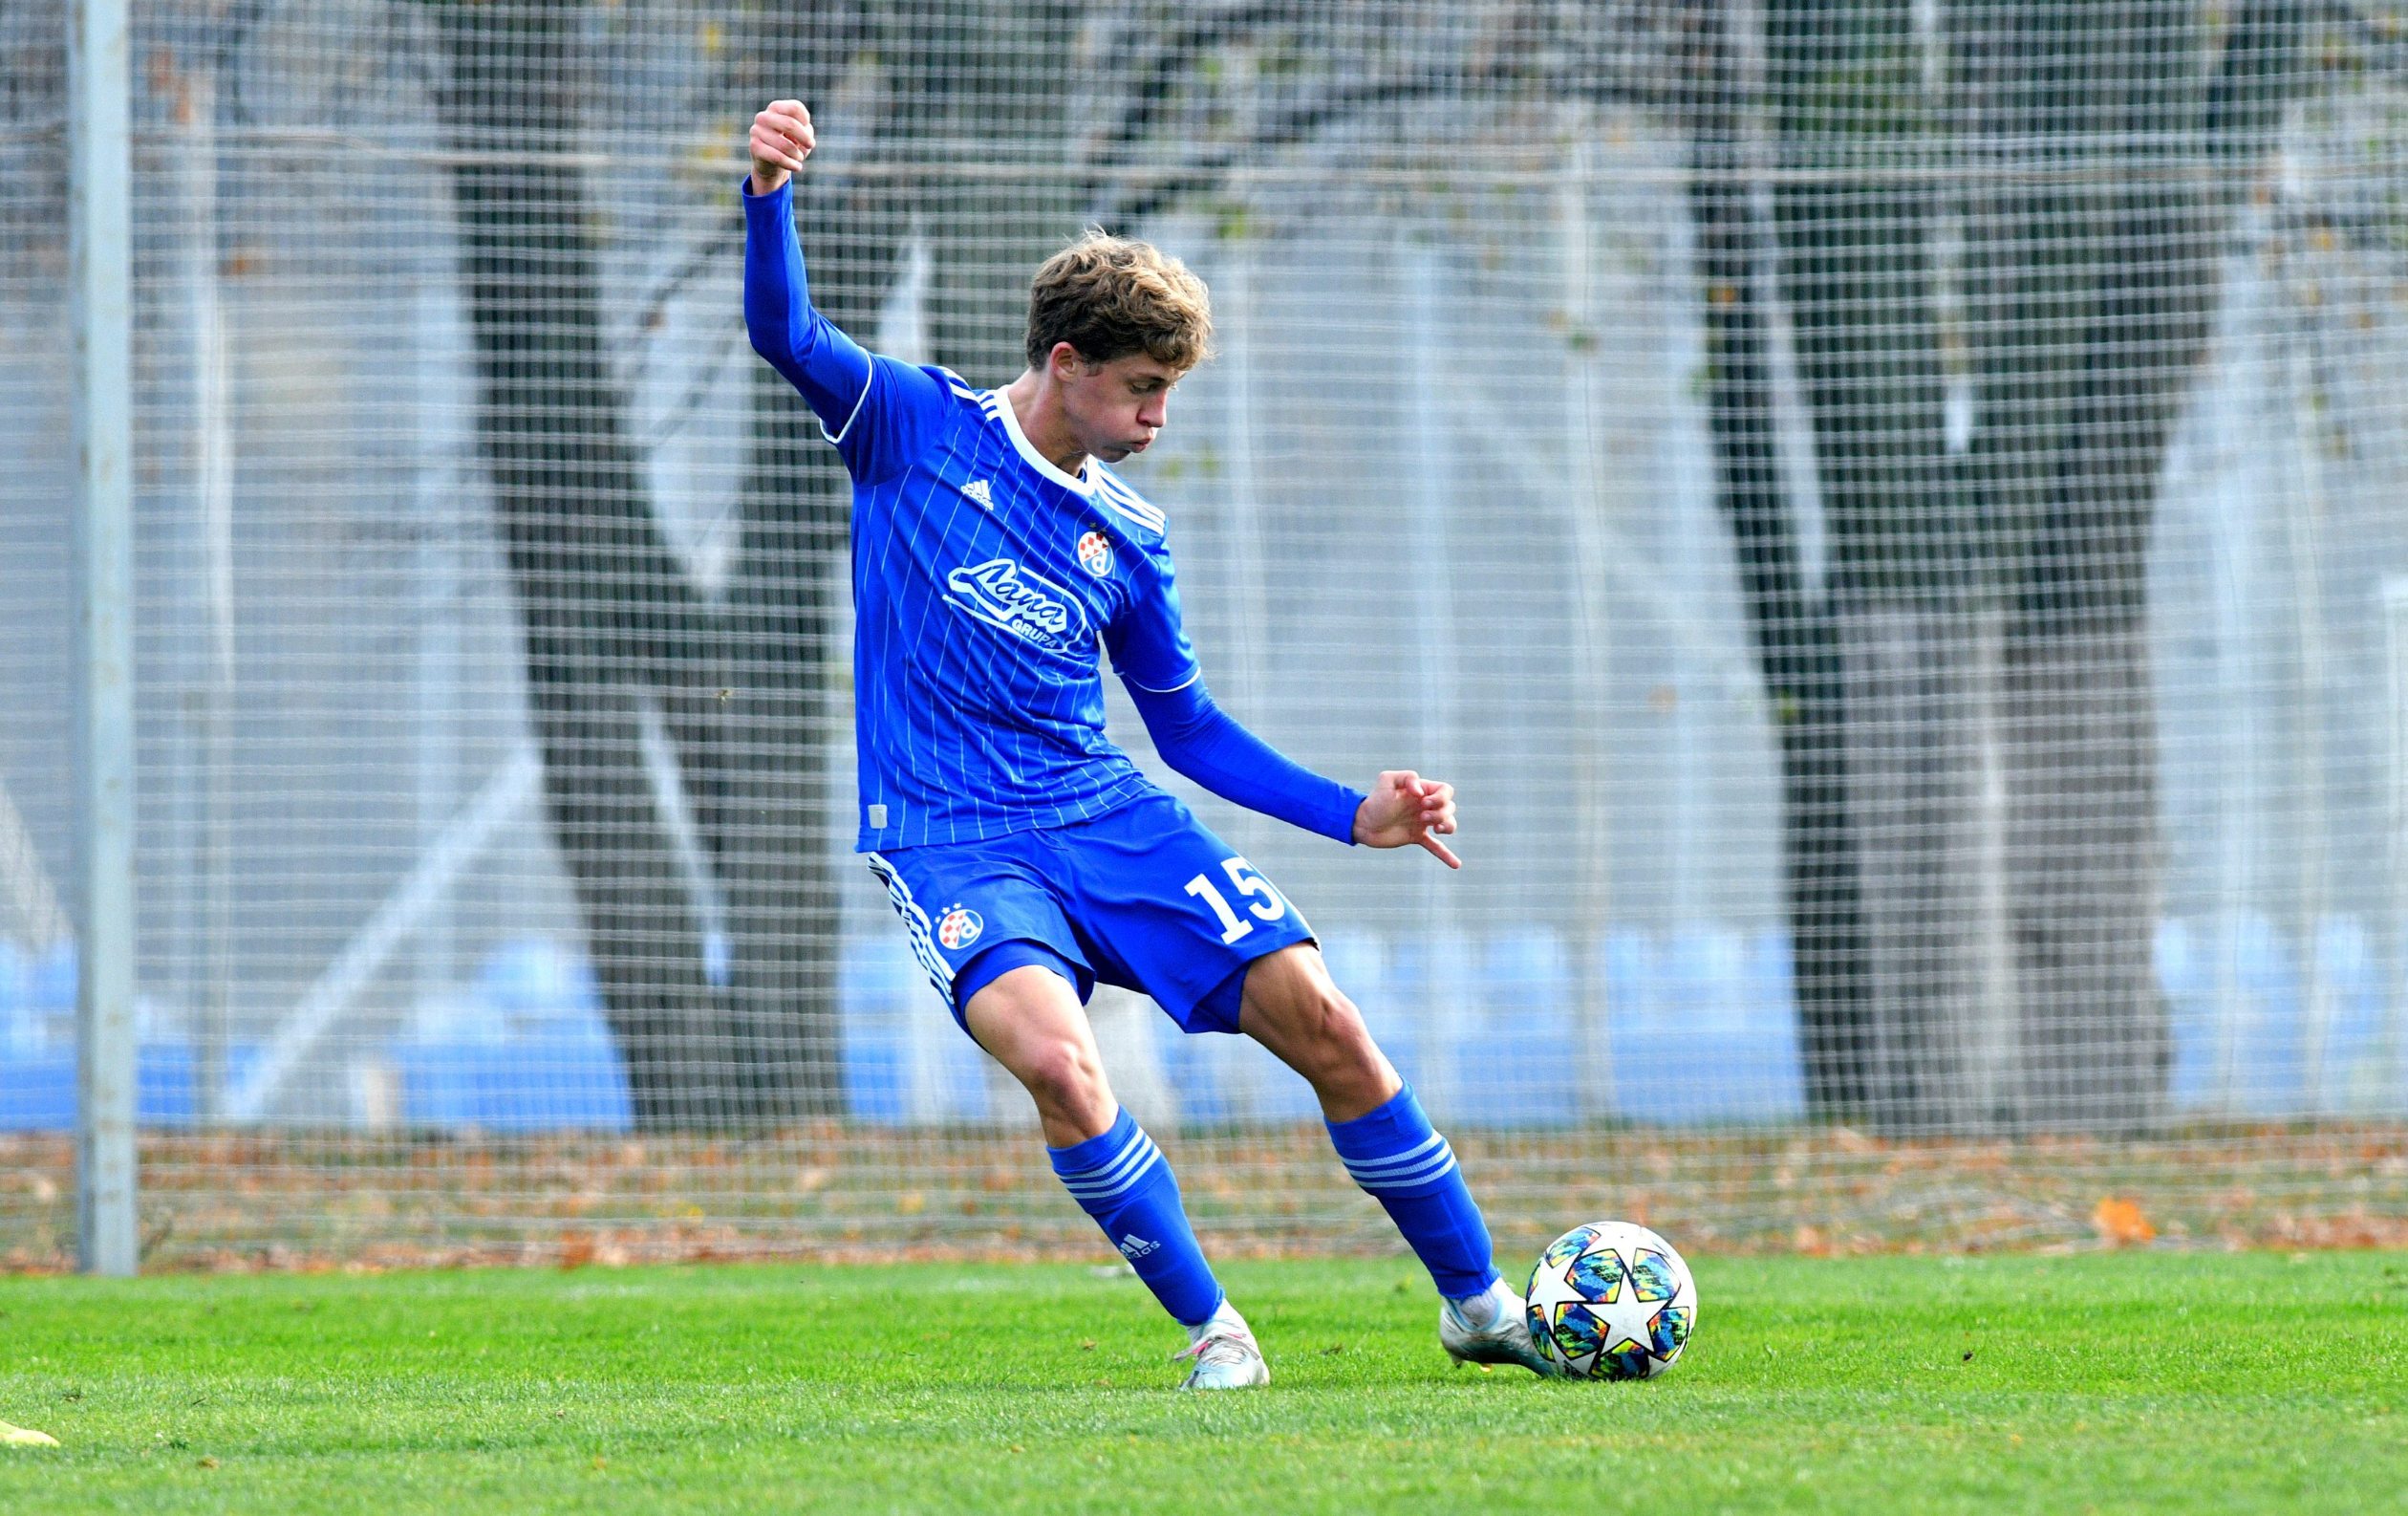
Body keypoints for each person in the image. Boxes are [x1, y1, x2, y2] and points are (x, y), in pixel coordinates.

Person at [742, 99, 1551, 1389]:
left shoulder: (1131, 539)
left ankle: (1480, 1302)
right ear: (1066, 364)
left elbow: (1185, 730)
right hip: (950, 840)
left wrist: (1361, 814)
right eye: (1143, 388)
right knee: (1060, 1065)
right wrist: (770, 196)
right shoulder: (912, 426)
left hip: (1102, 814)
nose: (1159, 414)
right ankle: (1216, 1332)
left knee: (1326, 1020)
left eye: (1167, 390)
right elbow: (786, 332)